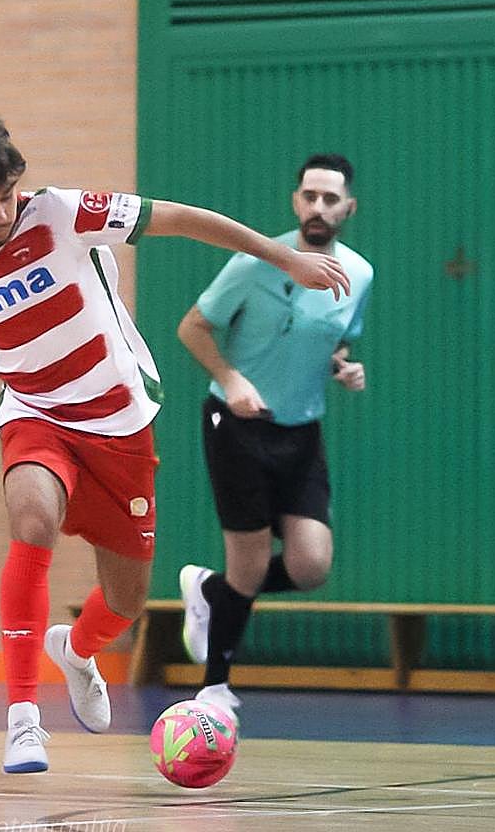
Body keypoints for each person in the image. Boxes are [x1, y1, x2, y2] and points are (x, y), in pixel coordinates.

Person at [0, 115, 350, 774]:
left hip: (118, 420)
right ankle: (24, 720)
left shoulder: (62, 212)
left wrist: (285, 257)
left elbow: (182, 218)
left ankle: (77, 650)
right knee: (32, 522)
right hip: (33, 412)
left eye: (7, 195)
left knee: (126, 602)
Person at [175, 153, 373, 724]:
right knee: (251, 562)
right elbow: (192, 327)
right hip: (237, 425)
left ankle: (211, 591)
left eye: (330, 199)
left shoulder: (359, 274)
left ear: (348, 208)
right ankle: (214, 688)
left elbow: (334, 340)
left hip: (301, 430)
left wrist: (342, 367)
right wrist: (231, 379)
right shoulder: (255, 263)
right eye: (310, 196)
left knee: (311, 566)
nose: (318, 207)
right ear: (295, 201)